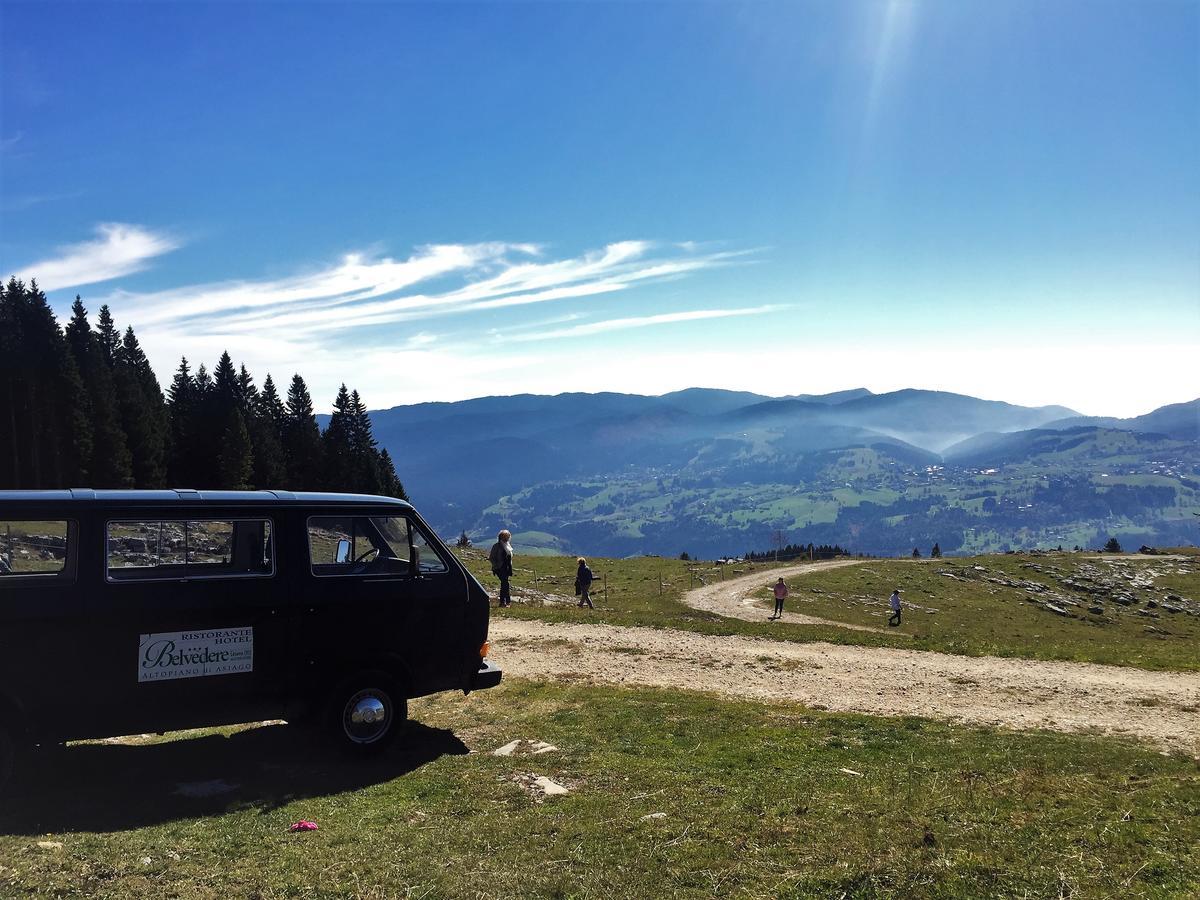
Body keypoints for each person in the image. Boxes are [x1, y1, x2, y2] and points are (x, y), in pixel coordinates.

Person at [489, 530, 514, 607]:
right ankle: (505, 601)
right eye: (506, 536)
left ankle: (504, 602)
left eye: (508, 536)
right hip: (499, 568)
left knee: (505, 584)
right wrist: (496, 566)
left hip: (507, 568)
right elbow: (492, 558)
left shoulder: (508, 546)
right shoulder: (496, 546)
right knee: (505, 583)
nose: (507, 538)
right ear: (501, 537)